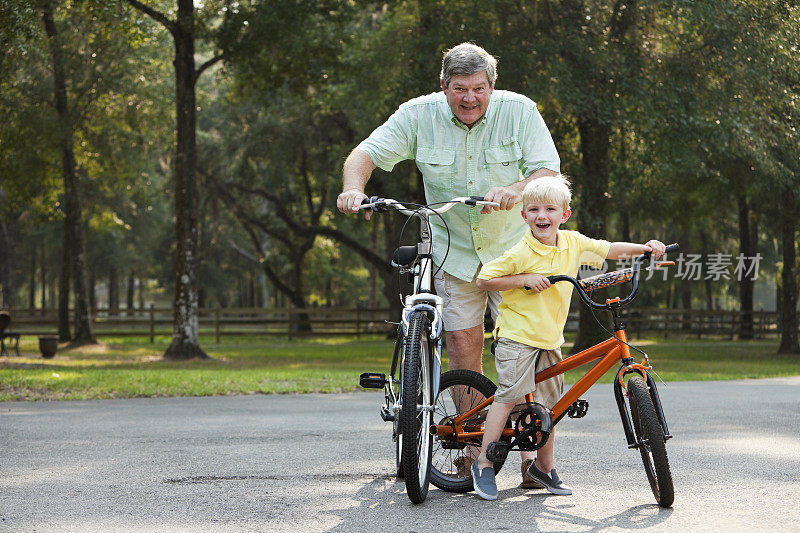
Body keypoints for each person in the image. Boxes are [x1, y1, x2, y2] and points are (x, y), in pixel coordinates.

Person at [338, 42, 560, 486]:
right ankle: (473, 448)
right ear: (444, 87)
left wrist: (517, 189)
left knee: (527, 351)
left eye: (479, 88)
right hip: (453, 250)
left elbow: (548, 171)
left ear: (492, 87)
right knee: (463, 350)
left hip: (515, 252)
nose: (470, 98)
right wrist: (352, 189)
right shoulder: (418, 114)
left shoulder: (519, 112)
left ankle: (533, 461)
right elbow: (363, 154)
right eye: (460, 89)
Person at [470, 175, 665, 500]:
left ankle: (543, 469)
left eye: (549, 209)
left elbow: (609, 249)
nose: (541, 216)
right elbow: (484, 279)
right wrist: (524, 279)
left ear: (564, 215)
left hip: (549, 338)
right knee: (509, 396)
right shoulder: (522, 250)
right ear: (523, 216)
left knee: (551, 407)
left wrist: (645, 249)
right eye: (533, 209)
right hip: (517, 334)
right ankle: (484, 463)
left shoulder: (573, 243)